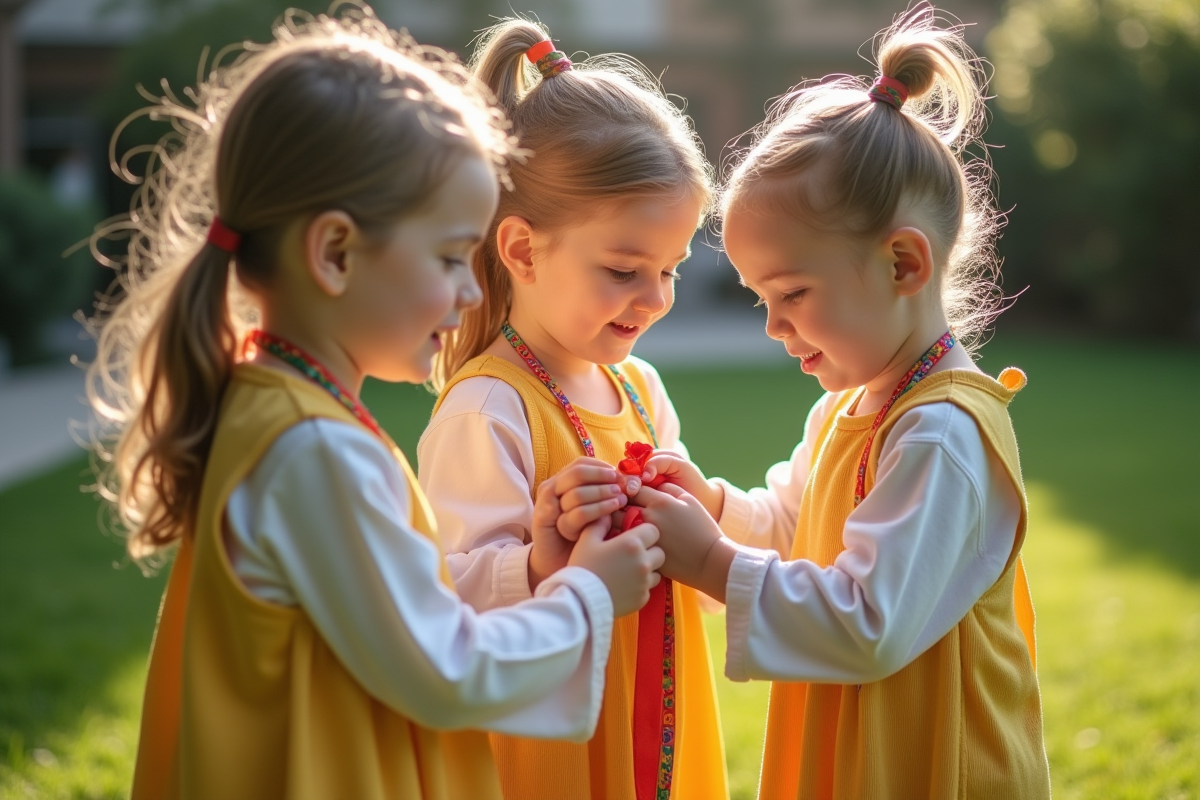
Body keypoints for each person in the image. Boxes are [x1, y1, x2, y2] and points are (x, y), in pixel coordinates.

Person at [85, 8, 663, 799]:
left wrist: (536, 566)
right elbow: (444, 669)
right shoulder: (314, 450)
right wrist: (588, 594)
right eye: (449, 256)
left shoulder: (275, 409)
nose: (470, 290)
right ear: (334, 253)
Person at [633, 6, 1051, 798]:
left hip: (932, 765)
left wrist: (712, 564)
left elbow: (869, 623)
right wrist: (713, 507)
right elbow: (797, 531)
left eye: (792, 291)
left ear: (902, 264)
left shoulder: (941, 434)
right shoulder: (851, 409)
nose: (774, 325)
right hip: (861, 755)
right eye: (760, 298)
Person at [418, 18, 727, 800]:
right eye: (625, 269)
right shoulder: (487, 407)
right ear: (522, 250)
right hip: (551, 741)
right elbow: (447, 594)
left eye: (671, 269)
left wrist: (693, 514)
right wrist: (537, 562)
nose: (655, 298)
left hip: (652, 699)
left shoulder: (638, 389)